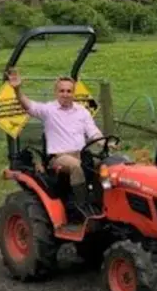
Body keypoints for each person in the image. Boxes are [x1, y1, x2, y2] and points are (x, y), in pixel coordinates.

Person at [6, 67, 116, 215]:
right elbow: (29, 105)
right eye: (62, 91)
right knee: (76, 167)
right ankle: (82, 206)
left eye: (69, 91)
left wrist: (105, 143)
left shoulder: (82, 111)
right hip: (59, 158)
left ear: (73, 93)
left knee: (107, 168)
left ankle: (104, 204)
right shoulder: (49, 110)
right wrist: (17, 90)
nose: (65, 94)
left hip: (81, 154)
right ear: (56, 92)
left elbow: (93, 132)